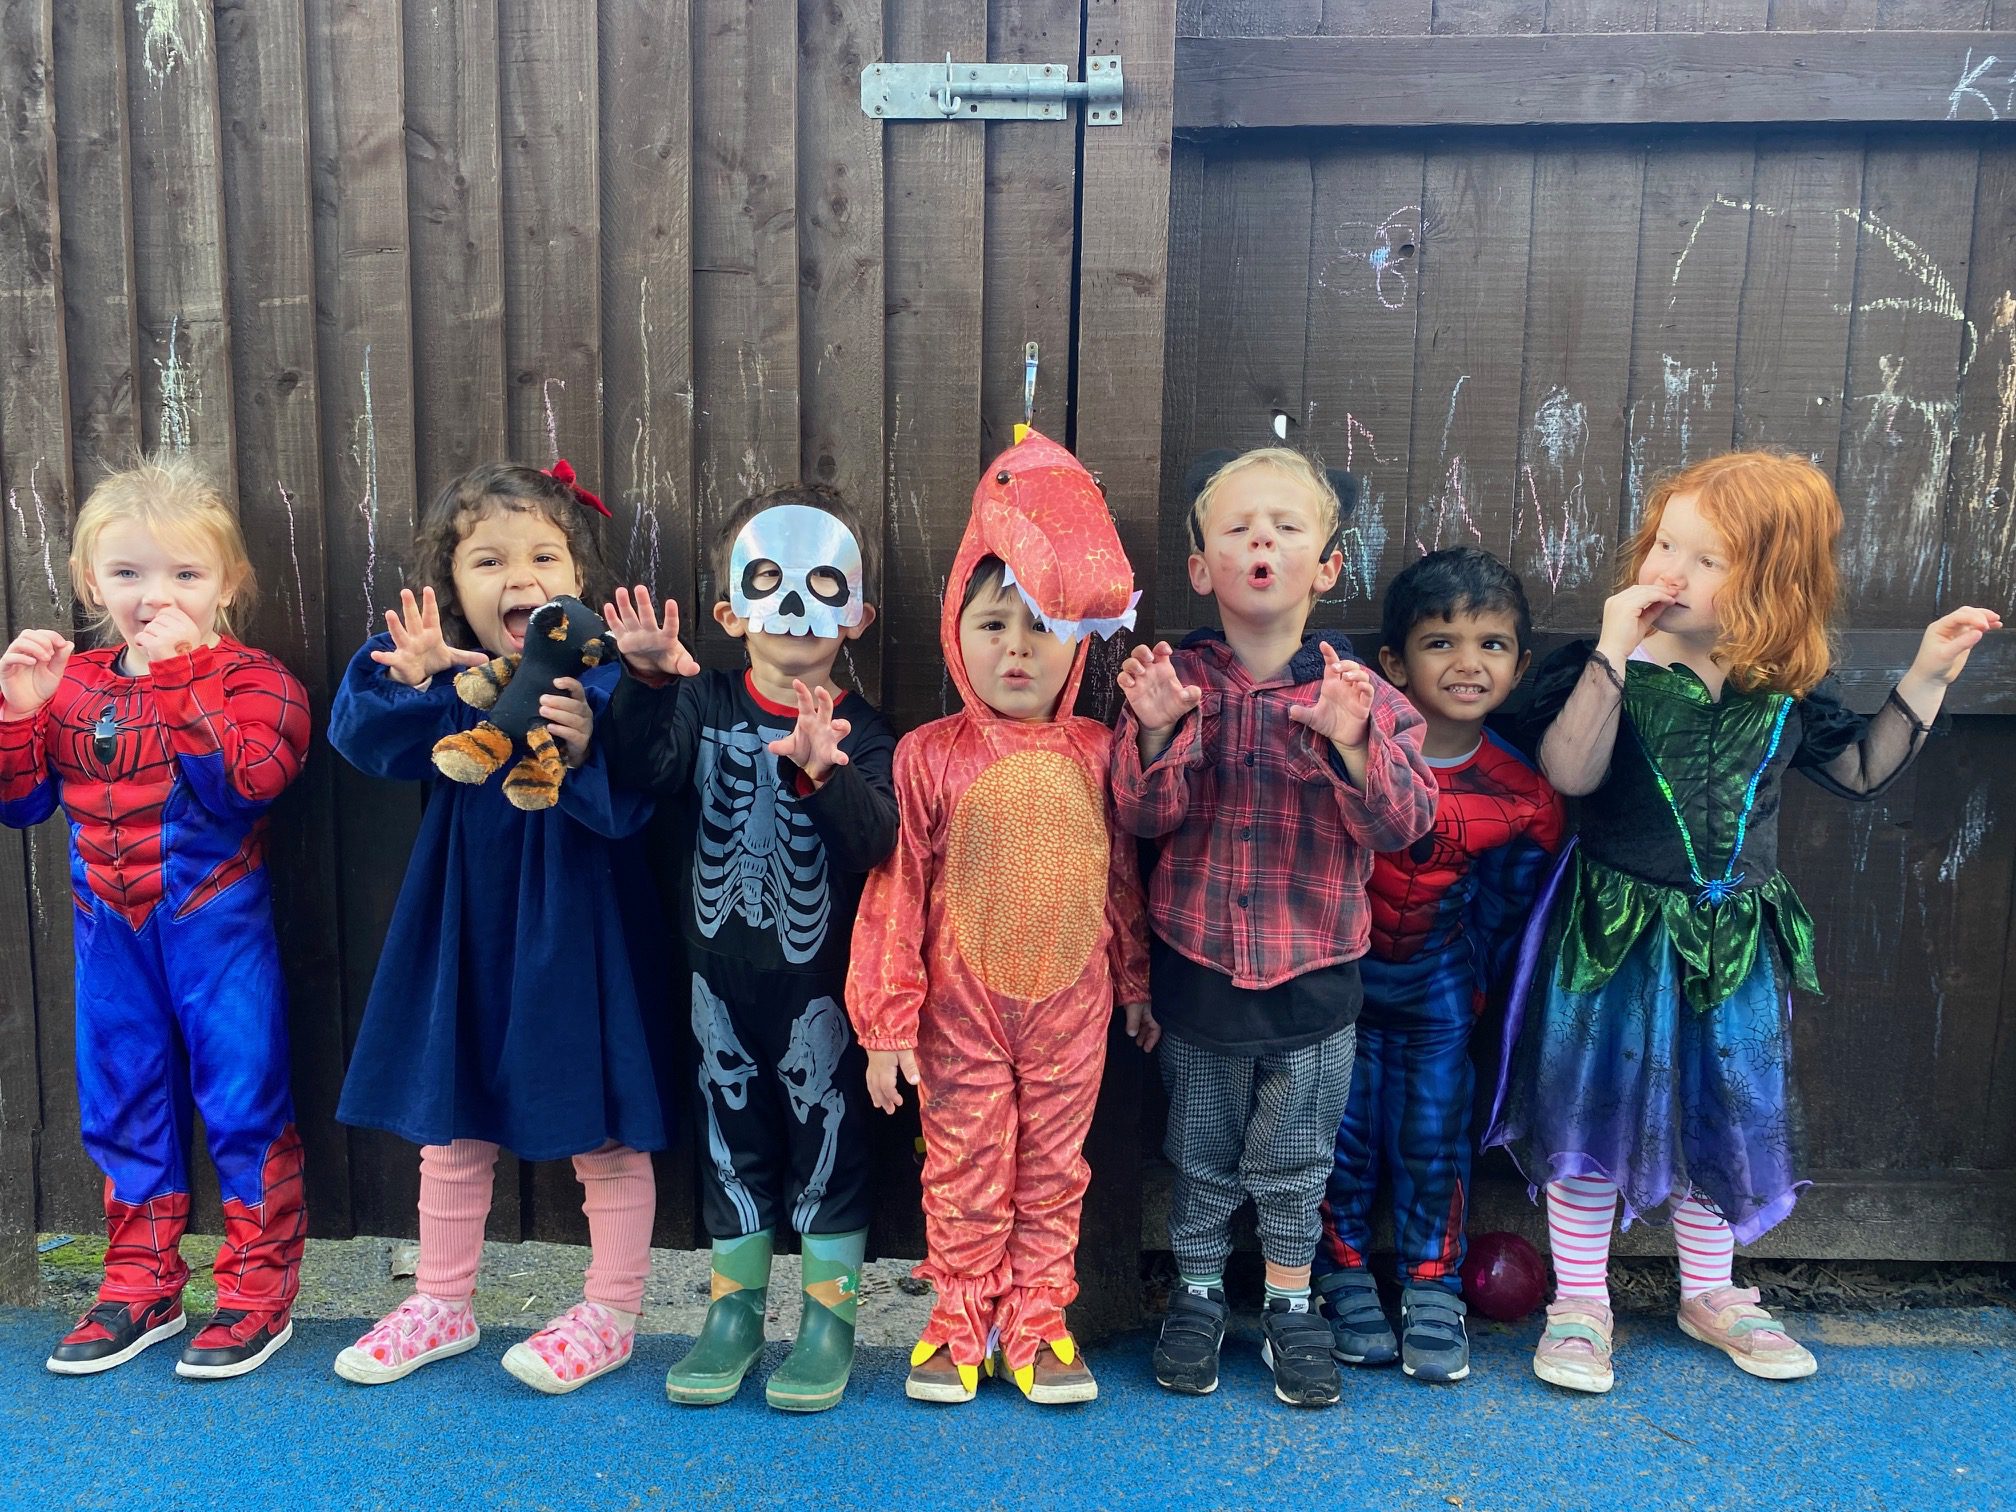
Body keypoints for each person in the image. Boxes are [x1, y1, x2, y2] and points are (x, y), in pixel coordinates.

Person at [1484, 450, 2001, 1394]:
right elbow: (1569, 773)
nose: (1669, 570)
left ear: (1771, 581)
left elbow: (1860, 772)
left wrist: (1928, 674)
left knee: (1722, 1110)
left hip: (1735, 944)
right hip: (1615, 935)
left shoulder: (1782, 686)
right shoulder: (1609, 668)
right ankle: (1581, 1301)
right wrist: (1610, 653)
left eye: (1706, 559)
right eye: (1664, 545)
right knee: (1593, 1110)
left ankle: (1710, 1291)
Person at [329, 460, 668, 1396]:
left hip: (581, 931)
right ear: (452, 588)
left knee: (604, 1119)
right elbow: (364, 739)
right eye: (488, 560)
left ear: (579, 581)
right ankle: (442, 1300)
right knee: (453, 1114)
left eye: (543, 557)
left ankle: (613, 1311)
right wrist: (403, 678)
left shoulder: (604, 684)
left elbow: (637, 801)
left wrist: (590, 746)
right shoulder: (453, 685)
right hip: (466, 929)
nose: (520, 577)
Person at [1112, 447, 1436, 1408]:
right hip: (1198, 970)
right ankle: (1199, 1293)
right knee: (1200, 1149)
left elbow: (1405, 824)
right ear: (1201, 568)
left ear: (1326, 566)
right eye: (1239, 527)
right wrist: (1158, 732)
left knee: (1295, 1159)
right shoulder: (1173, 681)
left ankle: (1292, 1300)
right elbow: (1138, 817)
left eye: (1287, 527)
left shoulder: (1362, 696)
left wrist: (1352, 741)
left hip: (1316, 978)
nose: (1264, 540)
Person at [848, 430, 1150, 1406]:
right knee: (965, 1164)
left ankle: (1039, 1319)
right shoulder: (927, 755)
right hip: (959, 1015)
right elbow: (896, 893)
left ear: (1077, 638)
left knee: (1056, 1169)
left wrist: (1136, 984)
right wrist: (886, 1023)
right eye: (992, 622)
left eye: (1041, 624)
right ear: (955, 629)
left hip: (1073, 1012)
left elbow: (1120, 881)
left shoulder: (1102, 750)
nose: (1016, 647)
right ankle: (959, 1316)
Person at [3, 457, 310, 1380]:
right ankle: (140, 1285)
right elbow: (21, 806)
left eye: (185, 573)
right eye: (128, 572)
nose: (155, 595)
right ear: (89, 581)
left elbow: (244, 790)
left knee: (244, 1098)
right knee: (121, 1101)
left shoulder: (257, 680)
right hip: (108, 928)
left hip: (217, 925)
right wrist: (17, 716)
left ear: (229, 583)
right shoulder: (73, 681)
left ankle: (256, 1293)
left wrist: (183, 679)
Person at [599, 482, 895, 1414]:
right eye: (770, 580)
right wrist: (646, 684)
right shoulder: (702, 701)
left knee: (830, 1140)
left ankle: (827, 1323)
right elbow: (640, 769)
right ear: (730, 611)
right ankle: (732, 1315)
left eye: (823, 583)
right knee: (730, 1139)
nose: (796, 604)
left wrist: (824, 775)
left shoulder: (866, 733)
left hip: (821, 991)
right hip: (715, 985)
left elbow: (876, 844)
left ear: (857, 614)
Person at [1312, 547, 1563, 1385]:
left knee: (1433, 1136)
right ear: (1394, 663)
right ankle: (1342, 1274)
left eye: (1491, 644)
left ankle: (1432, 1283)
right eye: (1440, 642)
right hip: (1340, 979)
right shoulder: (1348, 754)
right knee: (1338, 1131)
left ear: (1520, 665)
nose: (1467, 663)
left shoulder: (1523, 793)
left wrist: (1473, 994)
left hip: (1442, 989)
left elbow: (1510, 913)